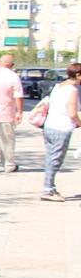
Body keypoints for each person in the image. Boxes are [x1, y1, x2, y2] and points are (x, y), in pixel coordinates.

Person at [38, 62, 81, 201]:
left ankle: (49, 187)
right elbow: (72, 113)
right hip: (61, 128)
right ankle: (47, 190)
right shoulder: (72, 91)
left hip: (50, 125)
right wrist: (79, 123)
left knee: (51, 157)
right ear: (78, 75)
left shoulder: (58, 87)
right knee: (55, 159)